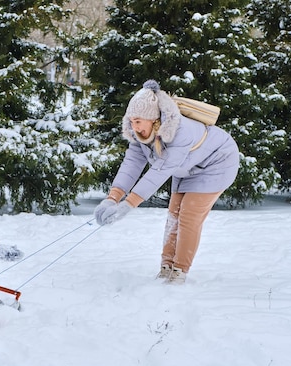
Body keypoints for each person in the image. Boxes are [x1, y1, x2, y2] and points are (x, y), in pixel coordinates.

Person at [94, 80, 239, 284]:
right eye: (131, 121)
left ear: (154, 119)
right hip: (186, 167)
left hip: (217, 163)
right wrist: (112, 198)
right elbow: (131, 165)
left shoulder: (180, 131)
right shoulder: (138, 135)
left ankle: (179, 271)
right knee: (174, 214)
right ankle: (167, 266)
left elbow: (159, 171)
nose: (135, 127)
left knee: (188, 214)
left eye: (139, 121)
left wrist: (128, 205)